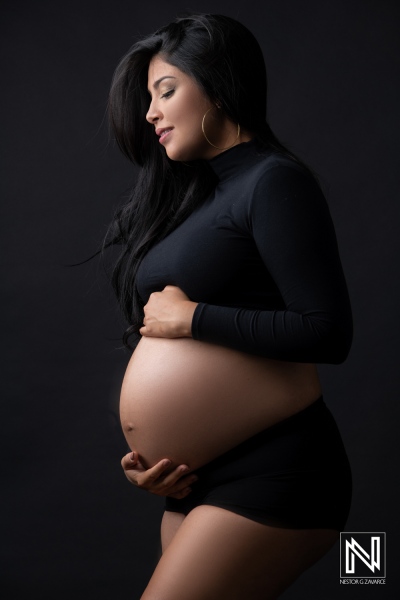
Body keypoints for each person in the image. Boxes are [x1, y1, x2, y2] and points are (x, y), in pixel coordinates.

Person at [108, 13, 353, 599]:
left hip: (276, 471)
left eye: (166, 91)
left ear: (217, 85)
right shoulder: (197, 199)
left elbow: (328, 332)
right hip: (192, 481)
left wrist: (191, 319)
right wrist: (153, 453)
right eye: (149, 97)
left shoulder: (274, 182)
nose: (151, 113)